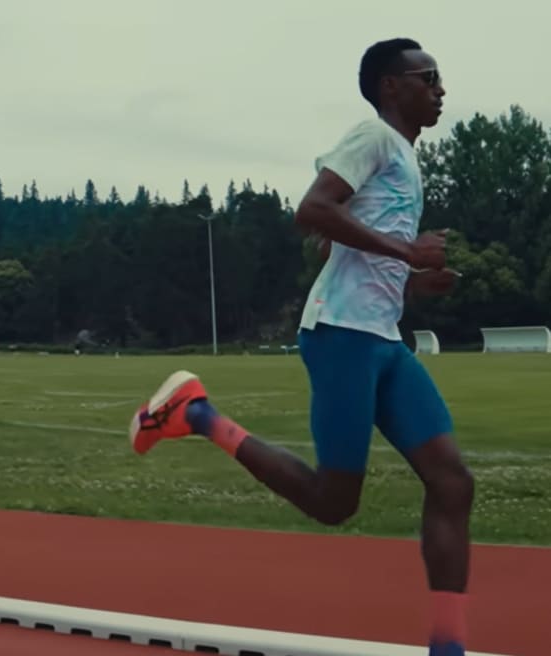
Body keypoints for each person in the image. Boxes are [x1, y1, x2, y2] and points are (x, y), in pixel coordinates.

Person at [130, 39, 473, 656]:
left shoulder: (405, 157)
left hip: (382, 341)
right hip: (341, 338)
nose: (441, 88)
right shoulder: (372, 137)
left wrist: (414, 281)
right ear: (391, 86)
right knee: (333, 503)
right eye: (429, 77)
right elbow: (311, 211)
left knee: (453, 484)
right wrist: (406, 252)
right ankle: (197, 415)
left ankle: (446, 647)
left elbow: (339, 250)